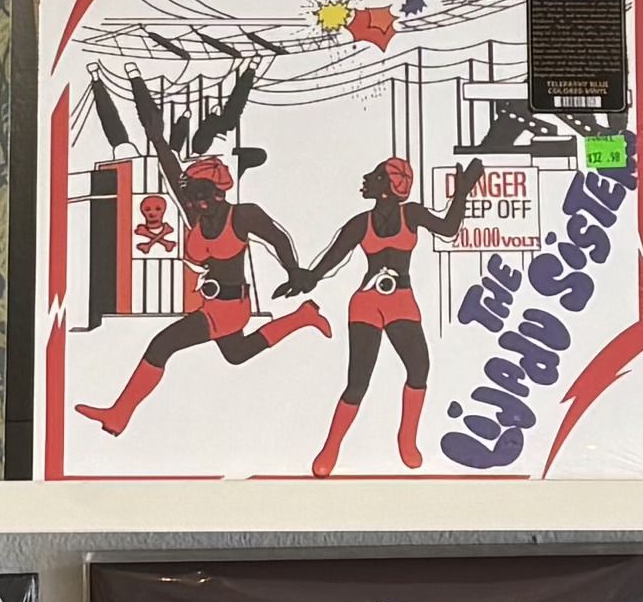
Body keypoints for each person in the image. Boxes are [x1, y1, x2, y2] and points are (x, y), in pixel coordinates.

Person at [72, 152, 323, 434]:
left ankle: (120, 414)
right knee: (237, 353)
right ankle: (303, 317)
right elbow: (168, 163)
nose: (198, 204)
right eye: (192, 198)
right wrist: (152, 129)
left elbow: (277, 237)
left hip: (230, 307)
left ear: (219, 192)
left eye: (203, 196)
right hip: (212, 302)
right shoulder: (198, 215)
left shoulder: (242, 215)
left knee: (161, 345)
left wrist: (294, 271)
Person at [278, 157, 465, 472]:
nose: (367, 179)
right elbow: (329, 261)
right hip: (366, 302)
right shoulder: (360, 223)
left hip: (402, 299)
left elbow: (448, 229)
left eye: (377, 176)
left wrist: (461, 192)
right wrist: (302, 280)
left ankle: (407, 440)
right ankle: (330, 449)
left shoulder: (412, 214)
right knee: (357, 382)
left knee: (419, 368)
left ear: (391, 187)